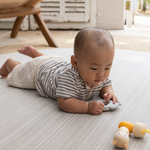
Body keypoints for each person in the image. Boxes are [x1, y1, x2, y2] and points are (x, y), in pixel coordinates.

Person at [0, 28, 118, 115]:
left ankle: (35, 53)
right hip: (40, 71)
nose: (101, 74)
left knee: (49, 59)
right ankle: (10, 64)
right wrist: (87, 107)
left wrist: (109, 93)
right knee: (18, 74)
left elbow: (106, 84)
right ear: (75, 63)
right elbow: (64, 101)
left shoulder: (99, 74)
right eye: (94, 68)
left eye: (107, 68)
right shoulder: (69, 79)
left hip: (57, 62)